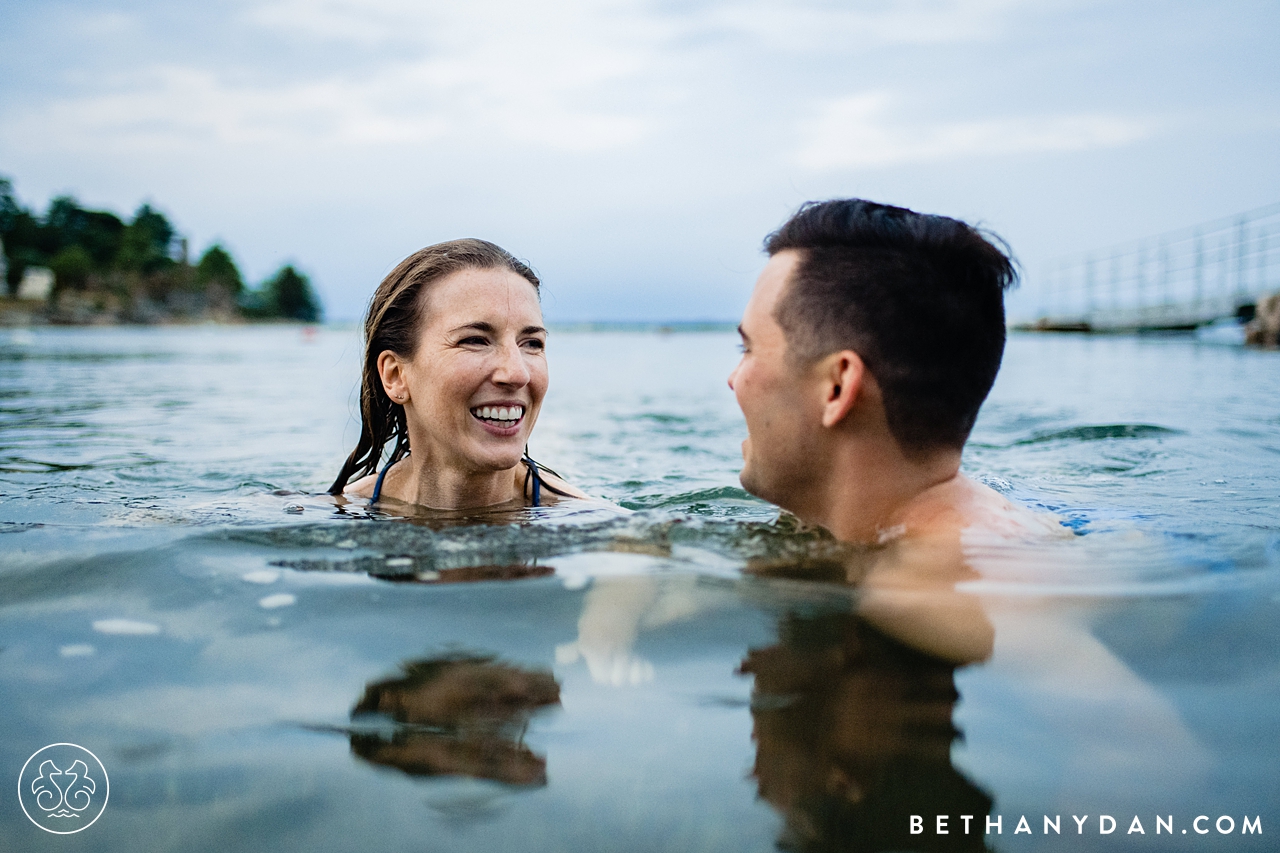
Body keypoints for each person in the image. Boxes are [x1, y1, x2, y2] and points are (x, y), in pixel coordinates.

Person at [728, 198, 1060, 547]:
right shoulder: (956, 530)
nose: (733, 380)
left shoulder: (938, 587)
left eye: (747, 348)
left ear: (837, 387)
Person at [329, 238, 586, 509]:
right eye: (475, 340)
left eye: (532, 343)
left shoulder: (595, 530)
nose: (517, 373)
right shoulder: (334, 517)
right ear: (395, 376)